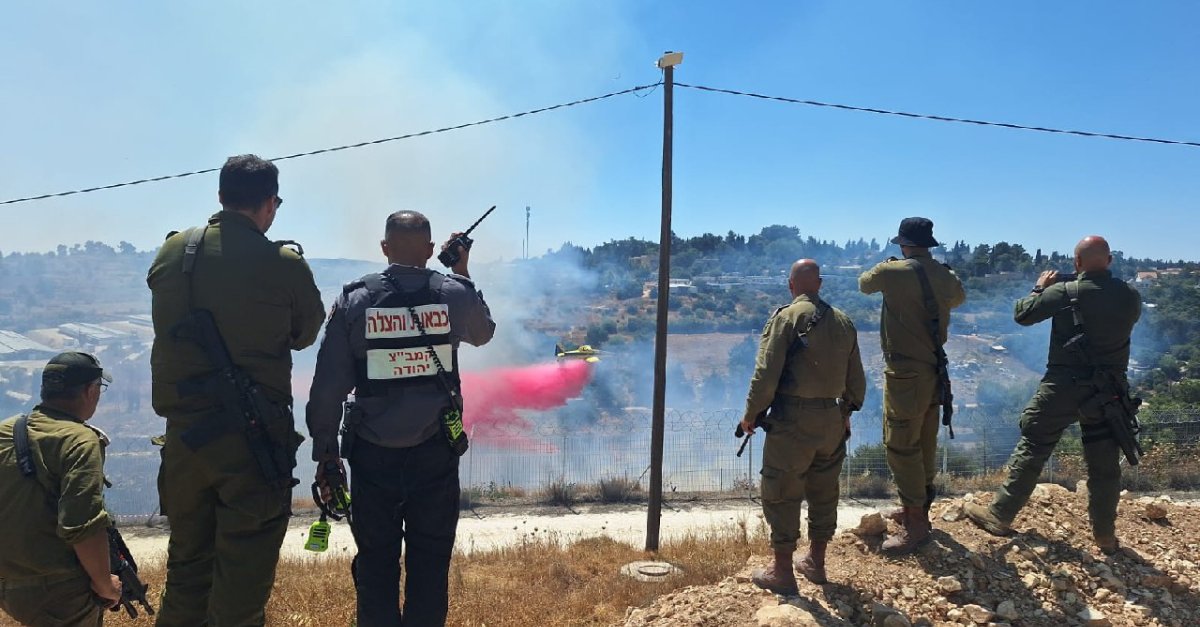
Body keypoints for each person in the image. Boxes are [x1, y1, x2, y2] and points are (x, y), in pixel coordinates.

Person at [147, 154, 325, 625]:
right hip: (249, 442)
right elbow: (306, 331)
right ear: (270, 203)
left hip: (184, 443)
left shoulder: (173, 252)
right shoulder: (282, 263)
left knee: (186, 572)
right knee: (241, 588)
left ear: (221, 197)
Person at [306, 210, 495, 626]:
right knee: (430, 563)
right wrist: (461, 271)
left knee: (376, 563)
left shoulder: (355, 301)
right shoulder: (453, 294)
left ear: (385, 248)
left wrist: (326, 455)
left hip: (373, 457)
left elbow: (327, 387)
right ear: (431, 251)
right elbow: (483, 333)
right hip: (435, 454)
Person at [964, 236, 1141, 554]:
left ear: (1076, 263)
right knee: (1104, 466)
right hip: (1108, 391)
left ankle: (1000, 514)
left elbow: (1023, 314)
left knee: (1034, 445)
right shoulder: (1130, 296)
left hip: (1063, 386)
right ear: (1110, 261)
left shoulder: (1065, 292)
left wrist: (1039, 287)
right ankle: (1104, 536)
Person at [741, 259, 866, 594]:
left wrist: (751, 414)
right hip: (831, 420)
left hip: (793, 420)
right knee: (825, 491)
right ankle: (816, 561)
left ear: (791, 285)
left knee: (782, 491)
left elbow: (766, 375)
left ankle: (782, 571)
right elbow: (856, 381)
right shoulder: (843, 322)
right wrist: (845, 414)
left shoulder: (786, 317)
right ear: (820, 284)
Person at [859, 217, 965, 554]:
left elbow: (864, 284)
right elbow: (959, 297)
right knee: (923, 441)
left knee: (901, 445)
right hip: (934, 371)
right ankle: (915, 509)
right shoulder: (946, 276)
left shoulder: (892, 272)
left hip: (905, 374)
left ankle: (915, 524)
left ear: (903, 244)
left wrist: (890, 263)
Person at [0, 352, 120, 626]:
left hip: (8, 583)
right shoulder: (79, 440)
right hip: (56, 588)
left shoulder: (6, 430)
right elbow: (82, 524)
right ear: (90, 391)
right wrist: (106, 585)